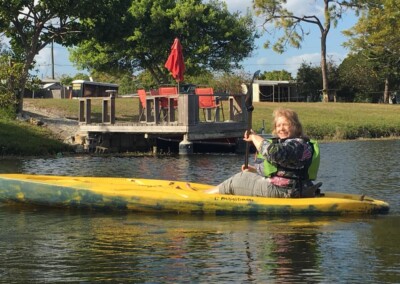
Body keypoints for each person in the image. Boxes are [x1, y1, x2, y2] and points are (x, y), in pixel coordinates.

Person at [205, 108, 321, 198]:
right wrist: (254, 170)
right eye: (278, 125)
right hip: (292, 188)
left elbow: (274, 153)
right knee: (245, 175)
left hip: (285, 190)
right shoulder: (293, 143)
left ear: (296, 127)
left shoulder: (297, 145)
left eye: (285, 124)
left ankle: (204, 196)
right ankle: (213, 191)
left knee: (236, 181)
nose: (281, 128)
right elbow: (283, 169)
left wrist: (255, 137)